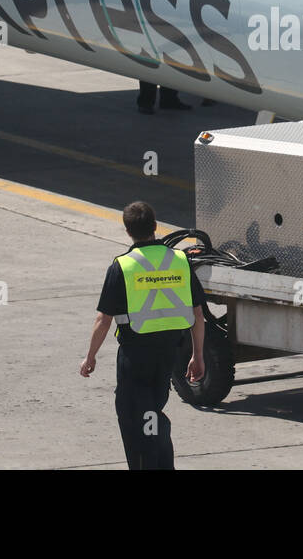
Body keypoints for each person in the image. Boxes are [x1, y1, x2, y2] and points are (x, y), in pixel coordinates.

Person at [81, 201, 205, 469]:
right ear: (155, 226)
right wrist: (197, 355)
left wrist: (90, 357)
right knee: (152, 413)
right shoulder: (180, 261)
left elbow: (103, 320)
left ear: (128, 231)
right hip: (168, 355)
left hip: (135, 357)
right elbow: (197, 314)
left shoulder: (123, 267)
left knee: (133, 419)